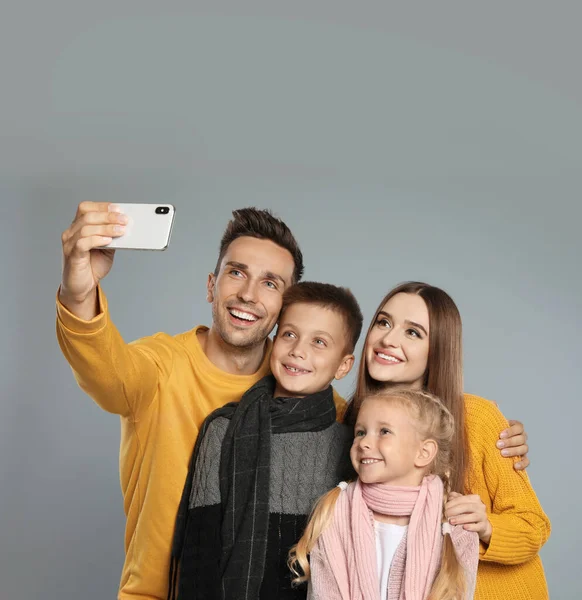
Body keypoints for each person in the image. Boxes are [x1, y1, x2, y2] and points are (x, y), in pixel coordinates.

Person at [56, 203, 342, 600]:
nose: (247, 294)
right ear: (212, 284)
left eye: (270, 283)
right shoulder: (160, 365)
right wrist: (79, 291)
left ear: (283, 310)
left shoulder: (303, 389)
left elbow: (384, 445)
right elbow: (104, 369)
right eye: (236, 272)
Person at [344, 282, 551, 599]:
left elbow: (533, 526)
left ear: (437, 350)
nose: (388, 339)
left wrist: (485, 527)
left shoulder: (477, 419)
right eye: (383, 322)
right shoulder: (348, 424)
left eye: (413, 333)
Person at [170, 282, 363, 600]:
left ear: (343, 365)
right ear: (274, 340)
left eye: (319, 342)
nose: (298, 350)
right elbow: (199, 555)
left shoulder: (351, 447)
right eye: (289, 334)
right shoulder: (225, 429)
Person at [289, 387, 480, 600]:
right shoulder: (334, 513)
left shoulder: (455, 527)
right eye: (360, 432)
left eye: (384, 432)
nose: (364, 443)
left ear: (423, 452)